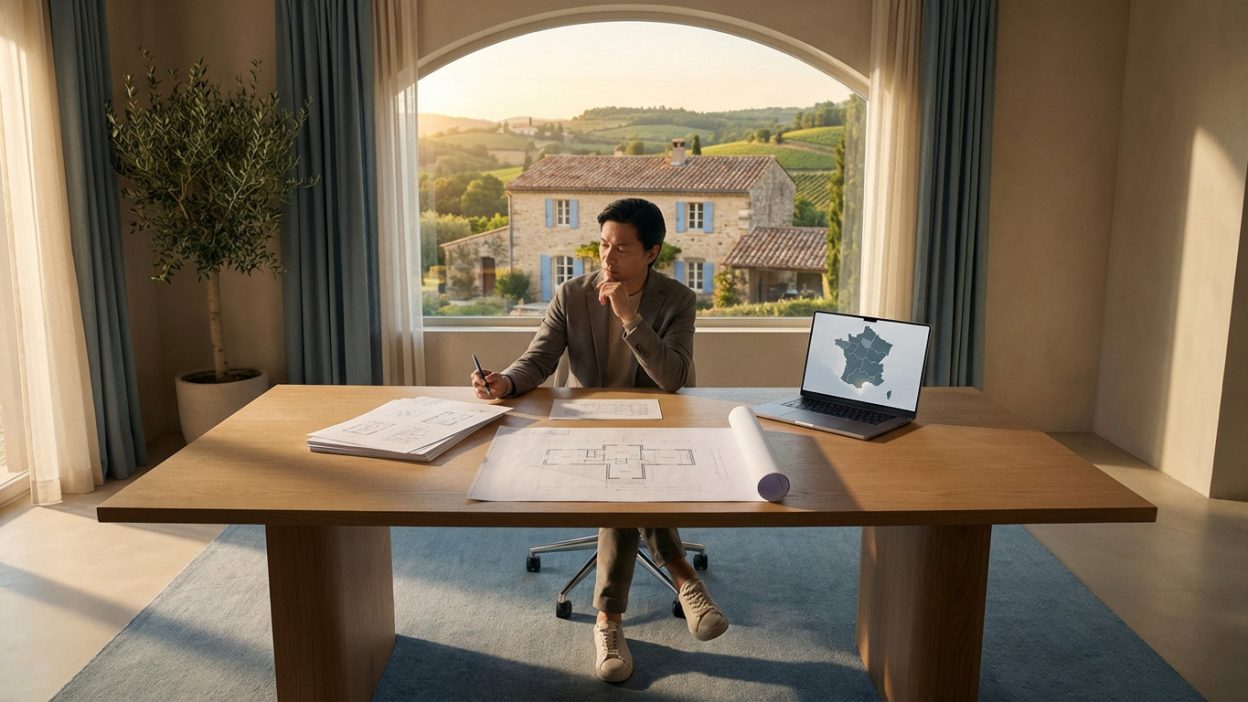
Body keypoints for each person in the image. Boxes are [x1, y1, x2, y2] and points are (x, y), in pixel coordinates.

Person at [471, 197, 728, 683]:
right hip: (584, 425)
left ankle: (608, 620)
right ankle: (681, 576)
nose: (607, 260)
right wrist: (504, 381)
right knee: (624, 484)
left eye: (621, 249)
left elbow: (672, 377)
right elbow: (539, 359)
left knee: (624, 484)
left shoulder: (677, 300)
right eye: (603, 246)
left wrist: (631, 318)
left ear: (651, 253)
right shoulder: (572, 295)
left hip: (654, 427)